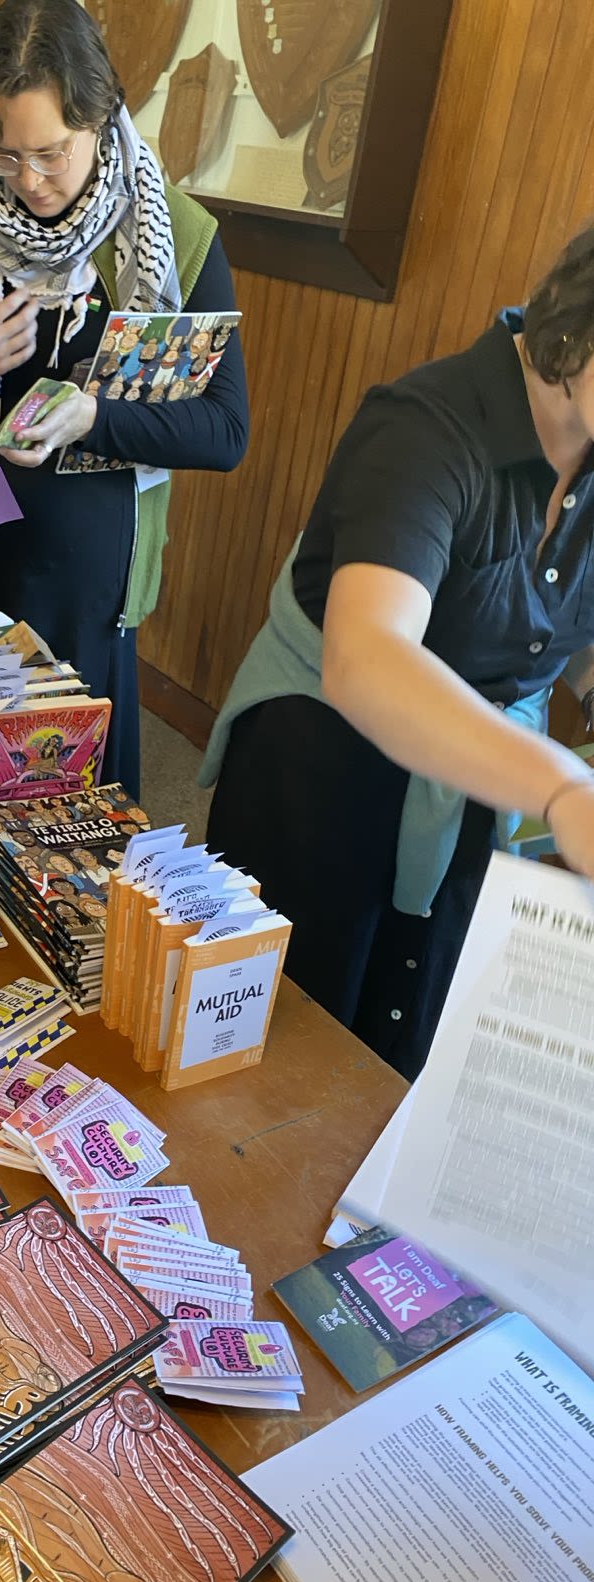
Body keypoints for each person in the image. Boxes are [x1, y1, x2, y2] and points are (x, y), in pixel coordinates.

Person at [200, 226, 594, 1082]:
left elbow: (572, 642)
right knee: (274, 1051)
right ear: (582, 331)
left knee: (400, 1051)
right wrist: (562, 788)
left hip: (479, 780)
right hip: (323, 769)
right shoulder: (429, 424)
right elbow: (367, 658)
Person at [0, 0, 249, 796]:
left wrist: (95, 417)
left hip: (84, 578)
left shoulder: (180, 236)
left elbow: (223, 430)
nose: (28, 182)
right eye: (3, 156)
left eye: (51, 154)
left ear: (101, 117)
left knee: (64, 817)